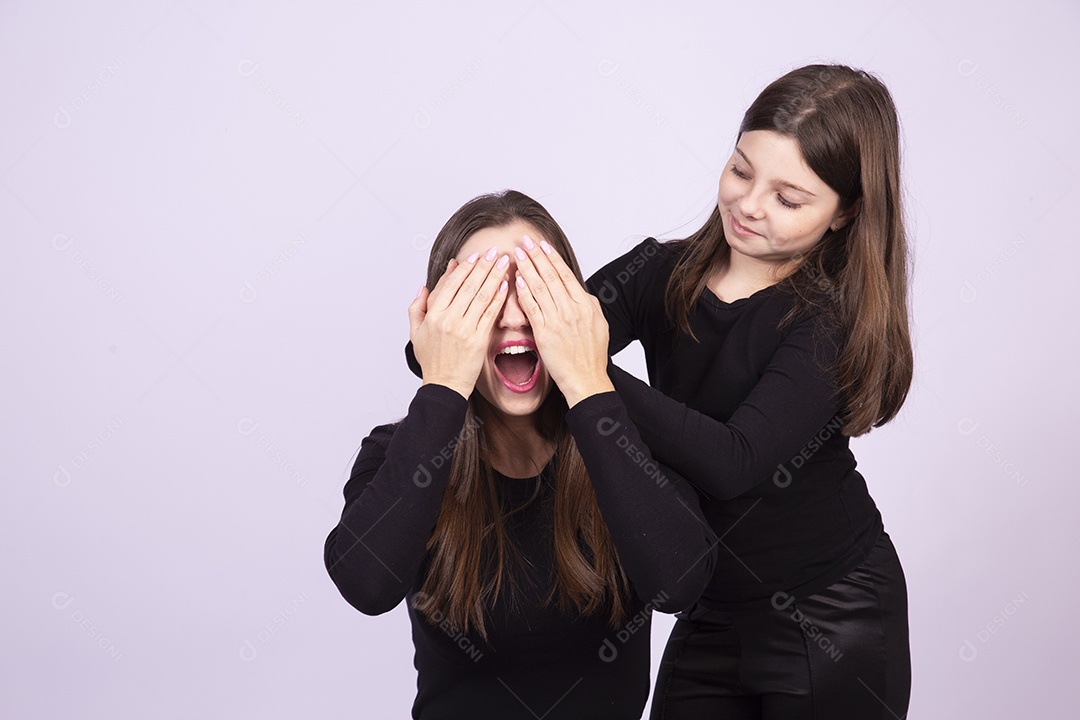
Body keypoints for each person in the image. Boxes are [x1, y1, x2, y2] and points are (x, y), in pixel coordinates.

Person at [584, 64, 913, 719]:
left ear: (845, 212)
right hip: (712, 612)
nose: (749, 204)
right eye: (741, 171)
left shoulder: (827, 322)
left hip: (832, 616)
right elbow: (530, 340)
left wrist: (585, 376)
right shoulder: (661, 271)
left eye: (789, 198)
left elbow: (733, 461)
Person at [324, 190, 717, 720]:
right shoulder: (402, 451)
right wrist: (442, 385)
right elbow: (366, 586)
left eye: (536, 293)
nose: (514, 318)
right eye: (483, 299)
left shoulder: (624, 439)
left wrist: (585, 379)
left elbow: (681, 584)